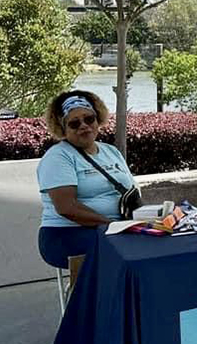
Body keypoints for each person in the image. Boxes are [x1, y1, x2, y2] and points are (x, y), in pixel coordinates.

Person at [37, 90, 135, 286]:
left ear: (97, 120)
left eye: (89, 119)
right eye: (74, 123)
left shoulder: (111, 152)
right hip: (65, 234)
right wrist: (110, 225)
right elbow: (66, 207)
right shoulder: (58, 157)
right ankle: (93, 310)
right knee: (125, 252)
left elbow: (131, 193)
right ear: (63, 128)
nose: (84, 126)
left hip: (114, 229)